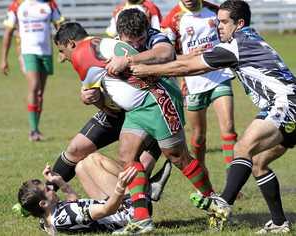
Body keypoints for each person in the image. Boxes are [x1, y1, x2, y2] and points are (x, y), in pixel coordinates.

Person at [131, 0, 294, 233]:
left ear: (239, 23)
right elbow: (188, 60)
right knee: (258, 163)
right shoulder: (244, 39)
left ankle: (222, 203)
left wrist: (147, 70)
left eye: (224, 22)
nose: (219, 27)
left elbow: (190, 69)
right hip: (284, 104)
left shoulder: (236, 45)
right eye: (218, 22)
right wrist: (142, 61)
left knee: (242, 148)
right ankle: (279, 223)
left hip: (286, 104)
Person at [54, 21, 215, 234]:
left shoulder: (81, 54)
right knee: (127, 156)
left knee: (178, 157)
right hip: (136, 110)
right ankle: (141, 220)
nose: (62, 57)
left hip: (156, 101)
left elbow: (98, 96)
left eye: (62, 51)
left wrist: (93, 98)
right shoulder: (100, 43)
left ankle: (215, 203)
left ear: (71, 43)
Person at [50, 8, 177, 203]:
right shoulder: (109, 44)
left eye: (139, 39)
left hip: (152, 105)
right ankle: (44, 193)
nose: (135, 44)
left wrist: (128, 59)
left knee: (138, 163)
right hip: (116, 110)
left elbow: (166, 52)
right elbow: (101, 85)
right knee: (76, 149)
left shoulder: (154, 37)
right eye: (129, 42)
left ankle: (137, 207)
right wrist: (91, 96)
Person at [161, 0, 237, 174]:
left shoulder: (215, 10)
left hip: (219, 75)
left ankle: (232, 177)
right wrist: (188, 56)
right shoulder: (172, 20)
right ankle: (202, 170)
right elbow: (165, 55)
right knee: (199, 136)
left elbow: (232, 35)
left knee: (228, 128)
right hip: (193, 82)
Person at [17, 153, 139, 235]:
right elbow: (107, 210)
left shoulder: (46, 220)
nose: (51, 188)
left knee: (80, 167)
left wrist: (59, 181)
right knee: (94, 158)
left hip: (108, 208)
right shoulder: (70, 214)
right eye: (47, 190)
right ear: (43, 203)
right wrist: (120, 187)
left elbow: (74, 202)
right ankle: (140, 186)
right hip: (128, 211)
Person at [0, 0, 64, 141]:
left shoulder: (50, 4)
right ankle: (33, 130)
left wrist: (63, 49)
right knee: (34, 86)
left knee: (40, 93)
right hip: (27, 51)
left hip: (46, 53)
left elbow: (60, 27)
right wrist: (4, 59)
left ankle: (36, 128)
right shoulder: (17, 4)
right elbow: (8, 32)